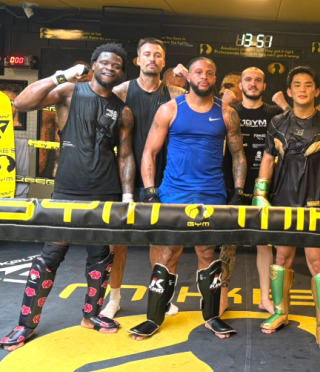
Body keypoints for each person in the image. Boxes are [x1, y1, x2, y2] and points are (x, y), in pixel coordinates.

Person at [0, 43, 135, 351]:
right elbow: (21, 103)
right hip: (68, 189)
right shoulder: (70, 92)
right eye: (104, 62)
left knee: (100, 255)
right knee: (51, 255)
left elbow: (125, 156)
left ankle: (91, 315)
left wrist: (127, 195)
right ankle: (25, 325)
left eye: (116, 65)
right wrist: (60, 76)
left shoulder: (123, 111)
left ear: (121, 72)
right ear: (93, 65)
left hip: (105, 190)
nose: (110, 68)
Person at [130, 57, 246, 341]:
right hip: (174, 192)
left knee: (207, 254)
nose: (204, 76)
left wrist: (238, 192)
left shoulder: (227, 113)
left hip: (211, 193)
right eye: (198, 72)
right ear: (189, 77)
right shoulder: (170, 109)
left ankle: (212, 317)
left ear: (215, 79)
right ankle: (153, 318)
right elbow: (149, 152)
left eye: (210, 73)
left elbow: (238, 155)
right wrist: (150, 191)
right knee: (168, 253)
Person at [254, 66, 320, 351]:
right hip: (283, 201)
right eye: (297, 85)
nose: (302, 89)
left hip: (314, 203)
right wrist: (260, 192)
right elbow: (268, 158)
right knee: (281, 259)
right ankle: (280, 312)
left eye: (308, 85)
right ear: (289, 91)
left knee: (318, 263)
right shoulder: (277, 123)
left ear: (316, 91)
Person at [100, 38, 185, 319]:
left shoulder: (176, 93)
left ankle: (161, 297)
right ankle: (114, 298)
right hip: (123, 178)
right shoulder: (121, 91)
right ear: (138, 60)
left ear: (164, 62)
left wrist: (187, 76)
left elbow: (206, 102)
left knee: (161, 243)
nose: (152, 59)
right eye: (147, 54)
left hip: (164, 178)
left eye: (157, 55)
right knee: (117, 242)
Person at [221, 67, 283, 313]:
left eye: (258, 80)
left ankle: (265, 298)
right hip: (232, 185)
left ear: (264, 86)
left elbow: (298, 122)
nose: (253, 83)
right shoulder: (230, 111)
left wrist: (283, 103)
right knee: (227, 243)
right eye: (248, 80)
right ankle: (222, 296)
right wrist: (222, 104)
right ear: (240, 85)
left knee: (264, 243)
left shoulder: (274, 112)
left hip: (264, 186)